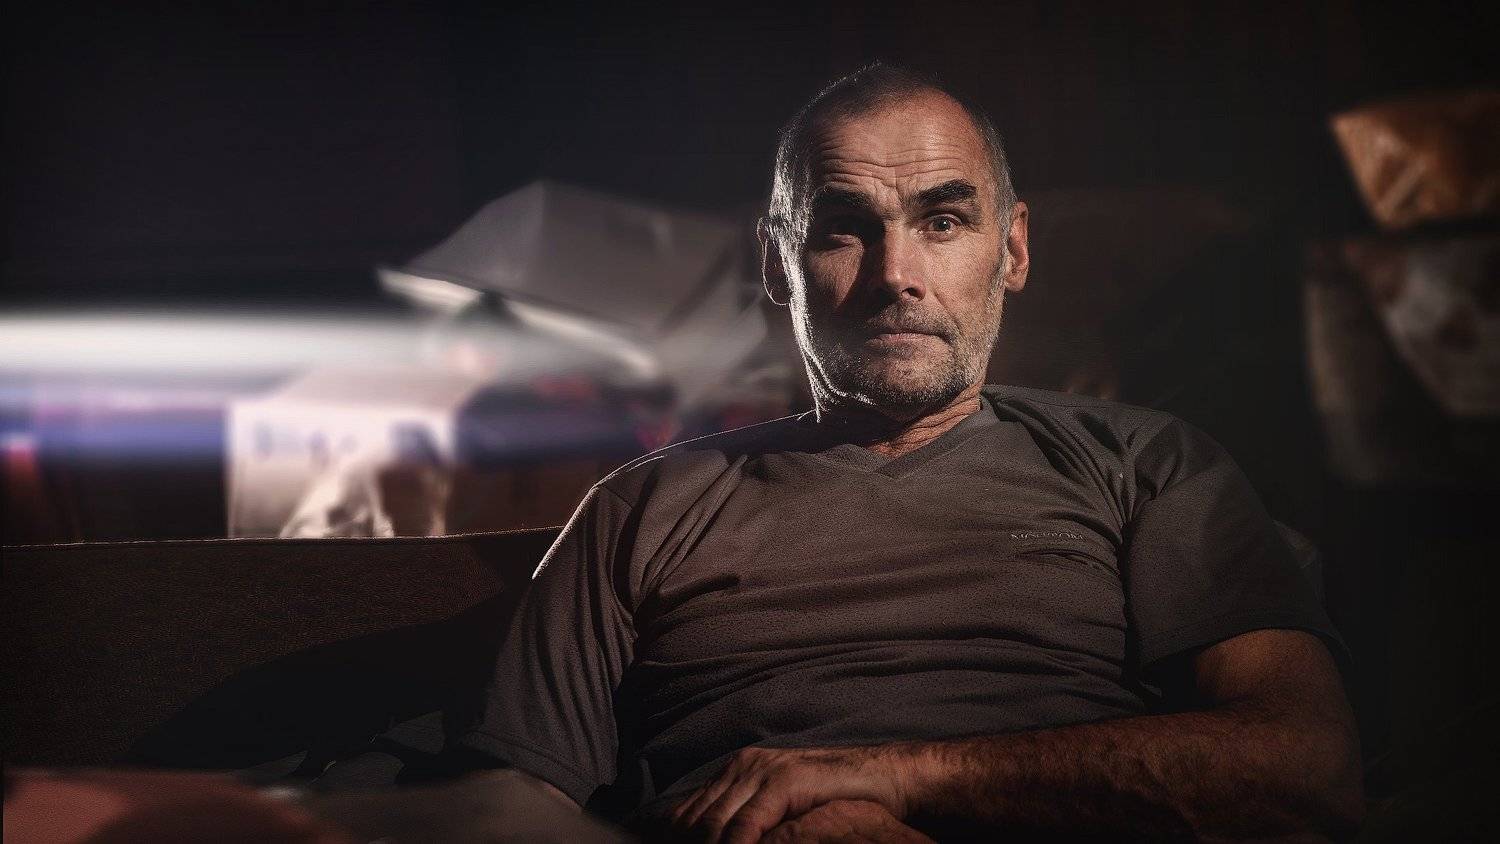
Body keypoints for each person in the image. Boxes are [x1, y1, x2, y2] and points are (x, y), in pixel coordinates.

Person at [317, 64, 1364, 843]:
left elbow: (1305, 769)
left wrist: (890, 777)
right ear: (778, 265)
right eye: (843, 229)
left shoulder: (1146, 463)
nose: (897, 272)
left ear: (1012, 249)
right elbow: (518, 804)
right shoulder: (644, 507)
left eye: (943, 220)